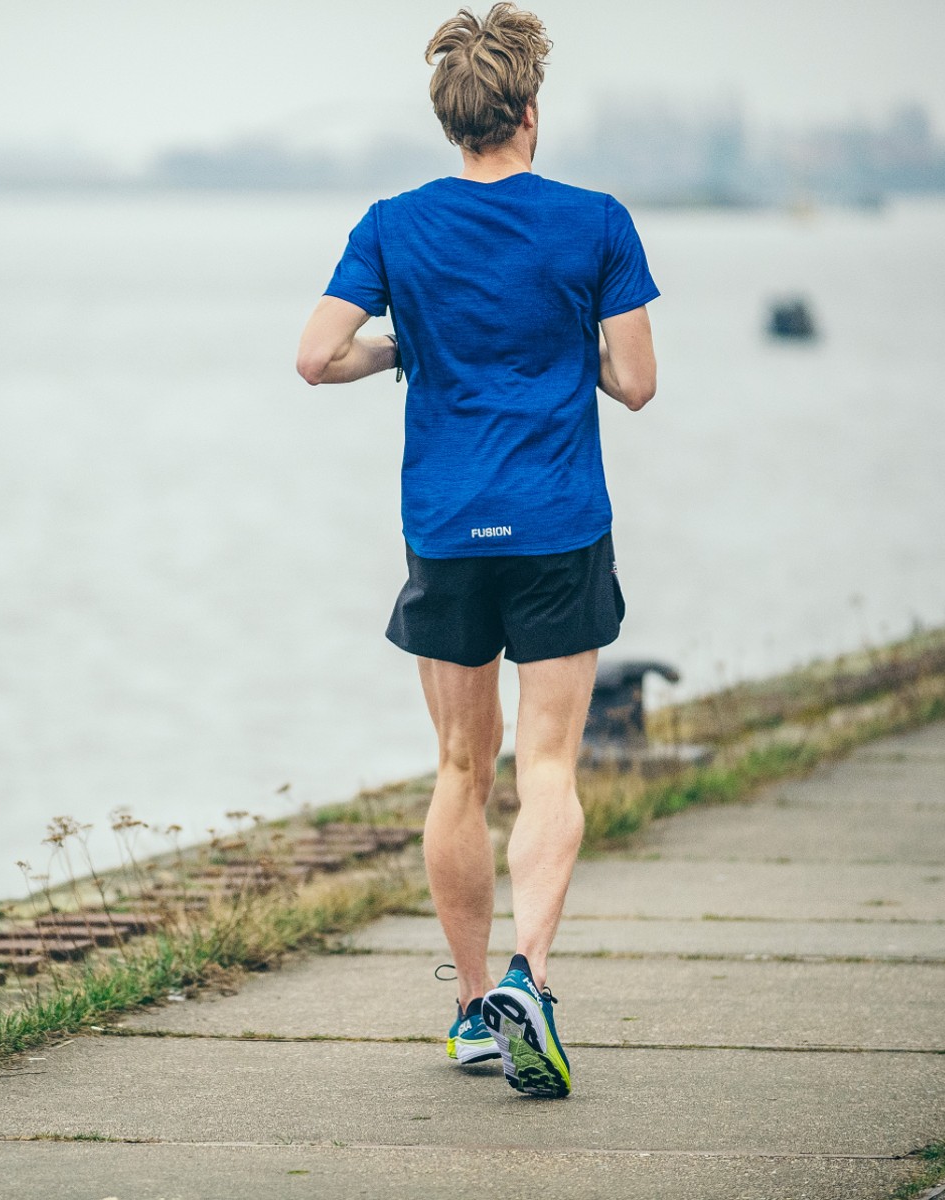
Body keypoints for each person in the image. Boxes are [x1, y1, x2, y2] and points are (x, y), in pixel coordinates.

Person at [296, 2, 658, 1100]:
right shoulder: (596, 222)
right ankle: (529, 984)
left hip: (447, 531)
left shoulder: (395, 225)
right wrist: (564, 345)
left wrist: (409, 339)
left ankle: (468, 1016)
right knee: (548, 765)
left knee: (461, 770)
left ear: (455, 121)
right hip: (558, 527)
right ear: (531, 115)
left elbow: (316, 357)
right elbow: (636, 382)